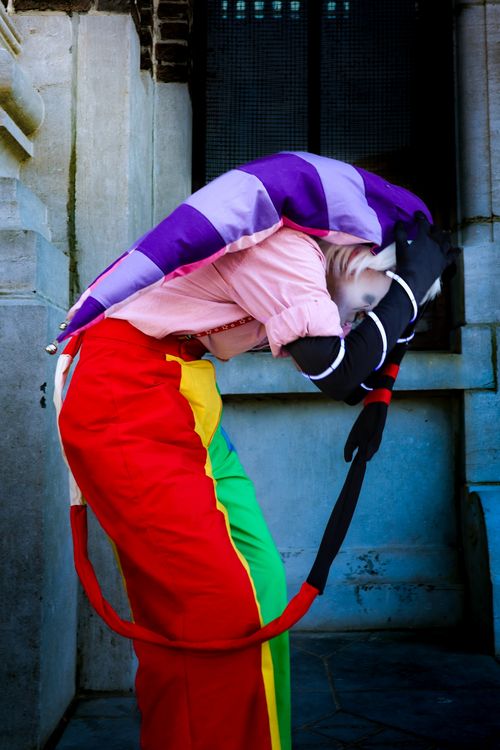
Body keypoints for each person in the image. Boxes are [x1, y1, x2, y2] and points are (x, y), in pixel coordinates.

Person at [52, 152, 458, 750]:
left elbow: (357, 369)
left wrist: (395, 332)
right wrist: (409, 285)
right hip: (128, 393)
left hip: (181, 392)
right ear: (362, 254)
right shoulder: (286, 250)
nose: (360, 320)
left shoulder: (311, 271)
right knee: (214, 610)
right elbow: (340, 374)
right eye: (373, 302)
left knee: (260, 586)